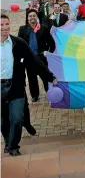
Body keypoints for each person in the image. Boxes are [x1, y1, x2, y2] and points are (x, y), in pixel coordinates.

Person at [1, 14, 57, 156]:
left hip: (16, 87)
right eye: (1, 25)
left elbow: (34, 62)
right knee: (3, 121)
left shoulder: (18, 43)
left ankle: (13, 146)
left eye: (7, 24)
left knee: (17, 118)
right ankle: (8, 142)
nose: (5, 27)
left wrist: (50, 76)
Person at [18, 9, 56, 101]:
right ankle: (34, 96)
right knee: (32, 78)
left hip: (41, 58)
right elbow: (18, 44)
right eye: (30, 16)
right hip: (29, 59)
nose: (32, 18)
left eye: (34, 16)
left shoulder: (43, 28)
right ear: (27, 18)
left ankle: (50, 92)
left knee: (45, 76)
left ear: (37, 17)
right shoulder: (23, 29)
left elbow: (52, 43)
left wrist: (47, 53)